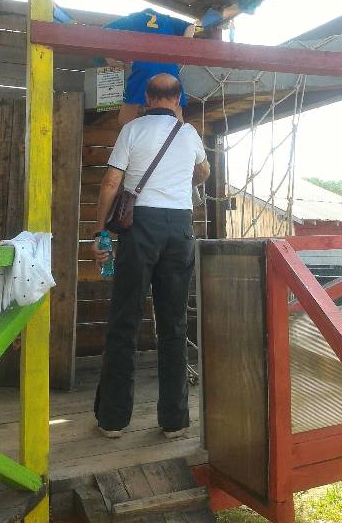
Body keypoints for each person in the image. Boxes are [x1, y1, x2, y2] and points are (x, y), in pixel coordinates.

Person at [91, 73, 210, 440]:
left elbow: (111, 182)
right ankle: (174, 421)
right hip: (179, 229)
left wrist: (100, 232)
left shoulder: (132, 130)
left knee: (125, 320)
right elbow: (203, 172)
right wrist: (181, 179)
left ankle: (113, 420)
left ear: (146, 97)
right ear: (178, 99)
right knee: (174, 324)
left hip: (140, 227)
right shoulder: (188, 134)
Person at [103, 7, 195, 126]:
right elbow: (191, 27)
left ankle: (131, 134)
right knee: (177, 113)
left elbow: (105, 31)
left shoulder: (134, 18)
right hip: (169, 69)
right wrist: (182, 53)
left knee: (125, 119)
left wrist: (111, 60)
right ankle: (178, 134)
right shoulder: (166, 19)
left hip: (143, 67)